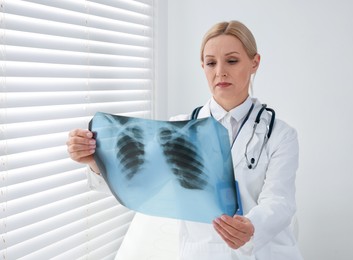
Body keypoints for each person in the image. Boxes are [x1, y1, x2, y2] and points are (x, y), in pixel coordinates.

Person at [67, 20, 303, 260]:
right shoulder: (179, 129)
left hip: (264, 253)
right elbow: (138, 183)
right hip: (203, 252)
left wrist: (251, 228)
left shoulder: (280, 134)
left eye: (232, 60)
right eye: (211, 62)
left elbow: (279, 200)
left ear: (255, 63)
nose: (220, 71)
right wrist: (94, 159)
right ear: (203, 66)